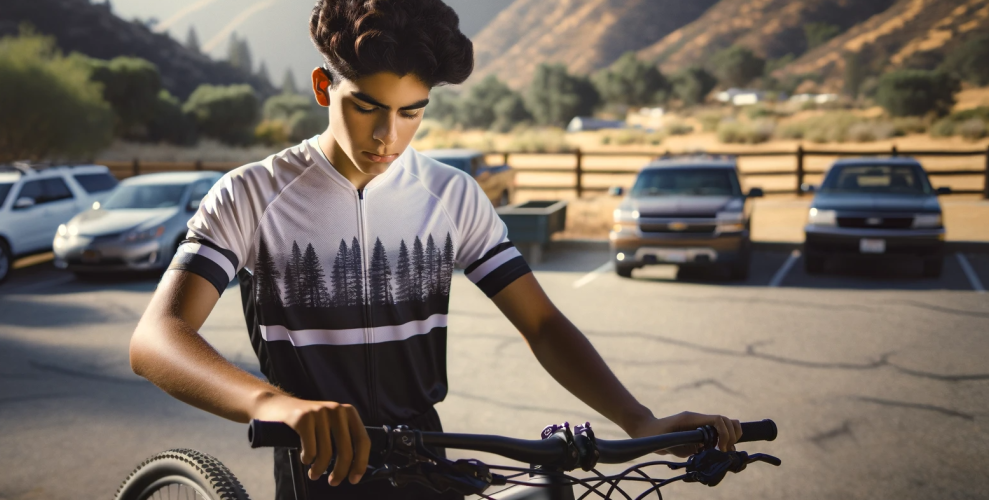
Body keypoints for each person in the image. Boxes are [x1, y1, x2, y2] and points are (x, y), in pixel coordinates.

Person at [129, 0, 743, 498]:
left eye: (410, 113)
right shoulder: (252, 193)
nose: (385, 136)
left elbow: (544, 324)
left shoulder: (451, 194)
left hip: (431, 463)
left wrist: (638, 420)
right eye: (365, 106)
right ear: (323, 85)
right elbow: (156, 339)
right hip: (318, 469)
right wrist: (276, 405)